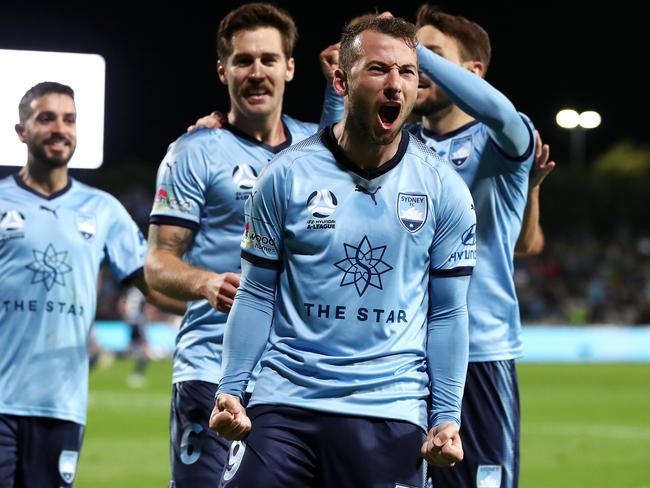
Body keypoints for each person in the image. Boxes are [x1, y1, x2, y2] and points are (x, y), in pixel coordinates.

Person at [210, 16, 477, 487]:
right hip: (286, 402)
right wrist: (231, 391)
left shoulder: (444, 188)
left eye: (407, 73)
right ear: (341, 80)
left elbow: (448, 314)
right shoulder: (285, 176)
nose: (395, 85)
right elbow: (255, 295)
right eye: (377, 69)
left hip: (390, 410)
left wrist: (446, 416)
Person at [144, 4, 318, 486]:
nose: (256, 72)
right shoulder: (195, 151)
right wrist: (204, 283)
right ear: (223, 70)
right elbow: (157, 264)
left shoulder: (319, 146)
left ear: (289, 66)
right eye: (243, 61)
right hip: (211, 368)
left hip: (297, 377)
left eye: (268, 59)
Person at [0, 81, 183, 487]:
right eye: (45, 118)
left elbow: (154, 284)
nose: (59, 128)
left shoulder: (102, 211)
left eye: (69, 119)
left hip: (62, 408)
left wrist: (220, 300)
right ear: (21, 131)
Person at [410, 6, 547, 487]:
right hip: (401, 358)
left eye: (431, 55)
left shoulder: (503, 142)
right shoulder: (399, 150)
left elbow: (501, 111)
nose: (417, 66)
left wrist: (414, 50)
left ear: (473, 73)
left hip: (481, 356)